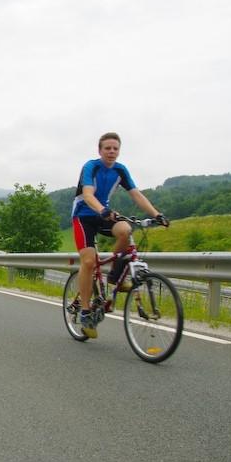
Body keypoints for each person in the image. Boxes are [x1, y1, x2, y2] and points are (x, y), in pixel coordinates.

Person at [71, 132, 169, 338]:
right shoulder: (91, 167)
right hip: (83, 216)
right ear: (100, 150)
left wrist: (156, 214)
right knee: (88, 262)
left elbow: (136, 195)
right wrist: (102, 210)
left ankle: (113, 276)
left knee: (125, 231)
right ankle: (87, 311)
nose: (112, 152)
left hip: (103, 214)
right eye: (107, 148)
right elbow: (88, 195)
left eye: (115, 148)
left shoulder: (120, 170)